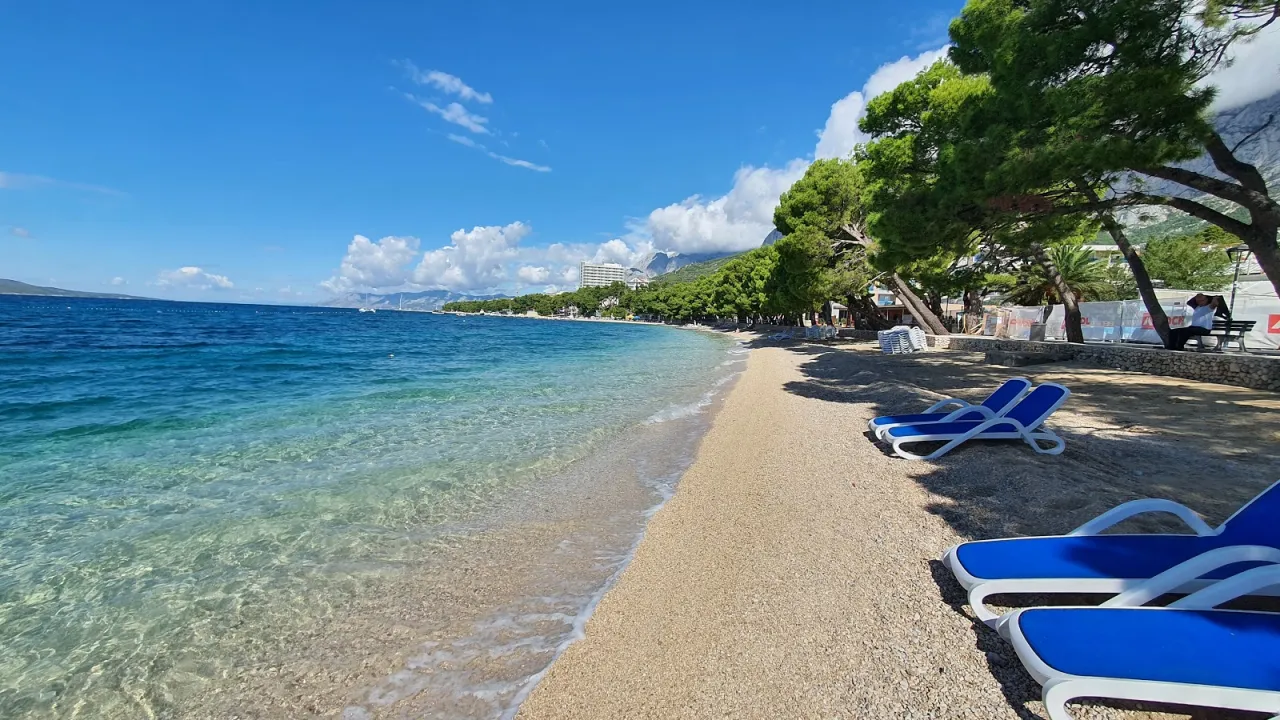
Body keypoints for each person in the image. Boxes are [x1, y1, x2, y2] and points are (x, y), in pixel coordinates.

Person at [1165, 293, 1230, 350]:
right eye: (1198, 301)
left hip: (1204, 329)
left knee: (1186, 331)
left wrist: (1213, 297)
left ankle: (1180, 346)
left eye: (1202, 300)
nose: (1200, 302)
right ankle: (1171, 346)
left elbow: (1215, 303)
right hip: (1194, 327)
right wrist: (1199, 296)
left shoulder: (1209, 308)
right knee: (1173, 331)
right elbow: (1189, 302)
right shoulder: (1197, 307)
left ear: (1206, 300)